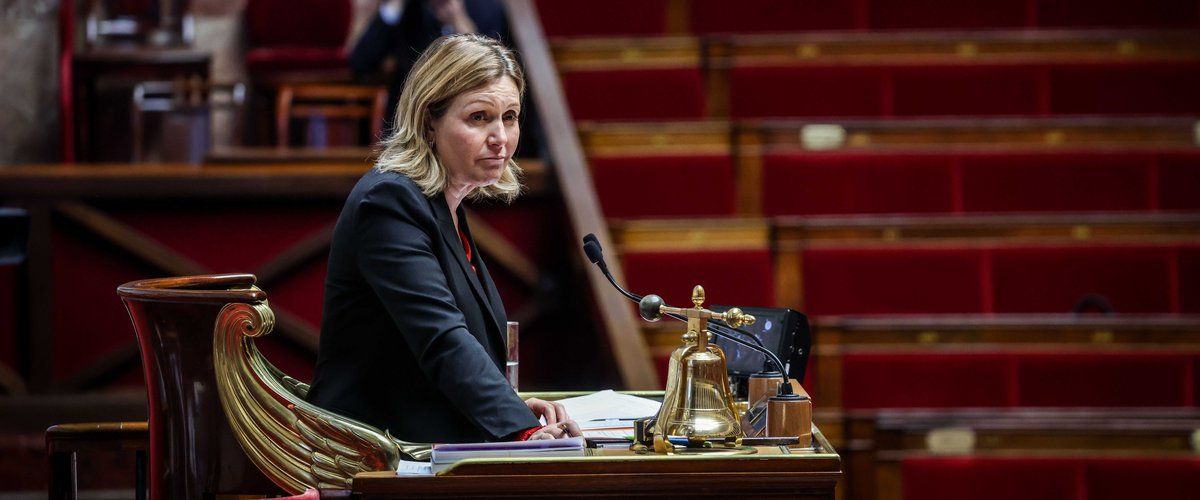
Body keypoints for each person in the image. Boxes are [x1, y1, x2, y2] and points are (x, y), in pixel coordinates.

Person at [305, 34, 580, 443]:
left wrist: (513, 407)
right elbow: (441, 339)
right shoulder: (389, 200)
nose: (500, 137)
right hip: (370, 454)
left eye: (509, 117)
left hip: (422, 444)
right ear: (428, 122)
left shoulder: (443, 205)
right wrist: (521, 430)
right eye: (479, 117)